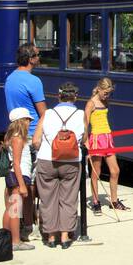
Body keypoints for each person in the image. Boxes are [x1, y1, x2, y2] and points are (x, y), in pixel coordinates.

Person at [32, 82, 85, 249]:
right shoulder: (81, 114)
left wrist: (44, 148)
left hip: (47, 160)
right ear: (75, 97)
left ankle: (51, 236)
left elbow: (35, 141)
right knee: (69, 199)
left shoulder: (47, 114)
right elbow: (84, 140)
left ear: (58, 96)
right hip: (71, 162)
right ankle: (65, 236)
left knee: (48, 199)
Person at [4, 43, 46, 236]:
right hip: (29, 136)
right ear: (30, 59)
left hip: (13, 134)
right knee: (26, 184)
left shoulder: (10, 79)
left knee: (12, 183)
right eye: (38, 54)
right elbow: (42, 113)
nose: (39, 57)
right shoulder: (33, 81)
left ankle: (12, 225)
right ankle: (27, 225)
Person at [84, 78, 126, 212]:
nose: (107, 96)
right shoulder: (91, 103)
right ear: (99, 89)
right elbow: (85, 123)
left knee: (115, 170)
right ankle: (95, 202)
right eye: (106, 93)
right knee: (96, 172)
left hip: (107, 137)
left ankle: (114, 201)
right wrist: (86, 141)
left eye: (109, 93)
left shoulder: (105, 101)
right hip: (96, 138)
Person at [0, 107, 34, 251]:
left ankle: (6, 238)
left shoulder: (11, 137)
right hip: (18, 176)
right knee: (15, 210)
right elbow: (17, 163)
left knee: (10, 209)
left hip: (13, 176)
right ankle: (15, 241)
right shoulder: (18, 138)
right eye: (27, 120)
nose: (29, 122)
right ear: (21, 121)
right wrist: (22, 185)